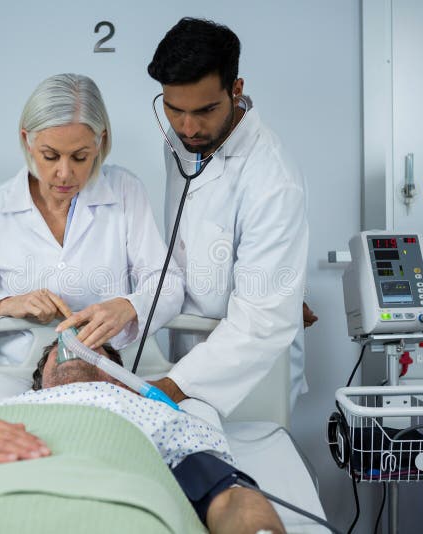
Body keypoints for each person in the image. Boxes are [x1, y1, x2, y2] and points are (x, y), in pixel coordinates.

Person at [0, 342, 284, 533]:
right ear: (39, 377)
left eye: (96, 346)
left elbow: (228, 496)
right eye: (59, 346)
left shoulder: (148, 413)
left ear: (117, 376)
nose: (75, 346)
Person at [0, 73, 183, 365]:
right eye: (50, 155)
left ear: (100, 142)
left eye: (80, 157)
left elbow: (167, 284)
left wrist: (128, 306)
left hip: (106, 368)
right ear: (27, 141)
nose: (65, 173)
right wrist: (9, 304)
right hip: (15, 375)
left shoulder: (124, 191)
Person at [147, 18, 311, 417]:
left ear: (236, 90)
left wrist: (169, 387)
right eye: (174, 109)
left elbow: (262, 320)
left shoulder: (272, 180)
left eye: (205, 110)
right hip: (189, 351)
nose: (188, 127)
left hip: (248, 376)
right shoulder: (183, 142)